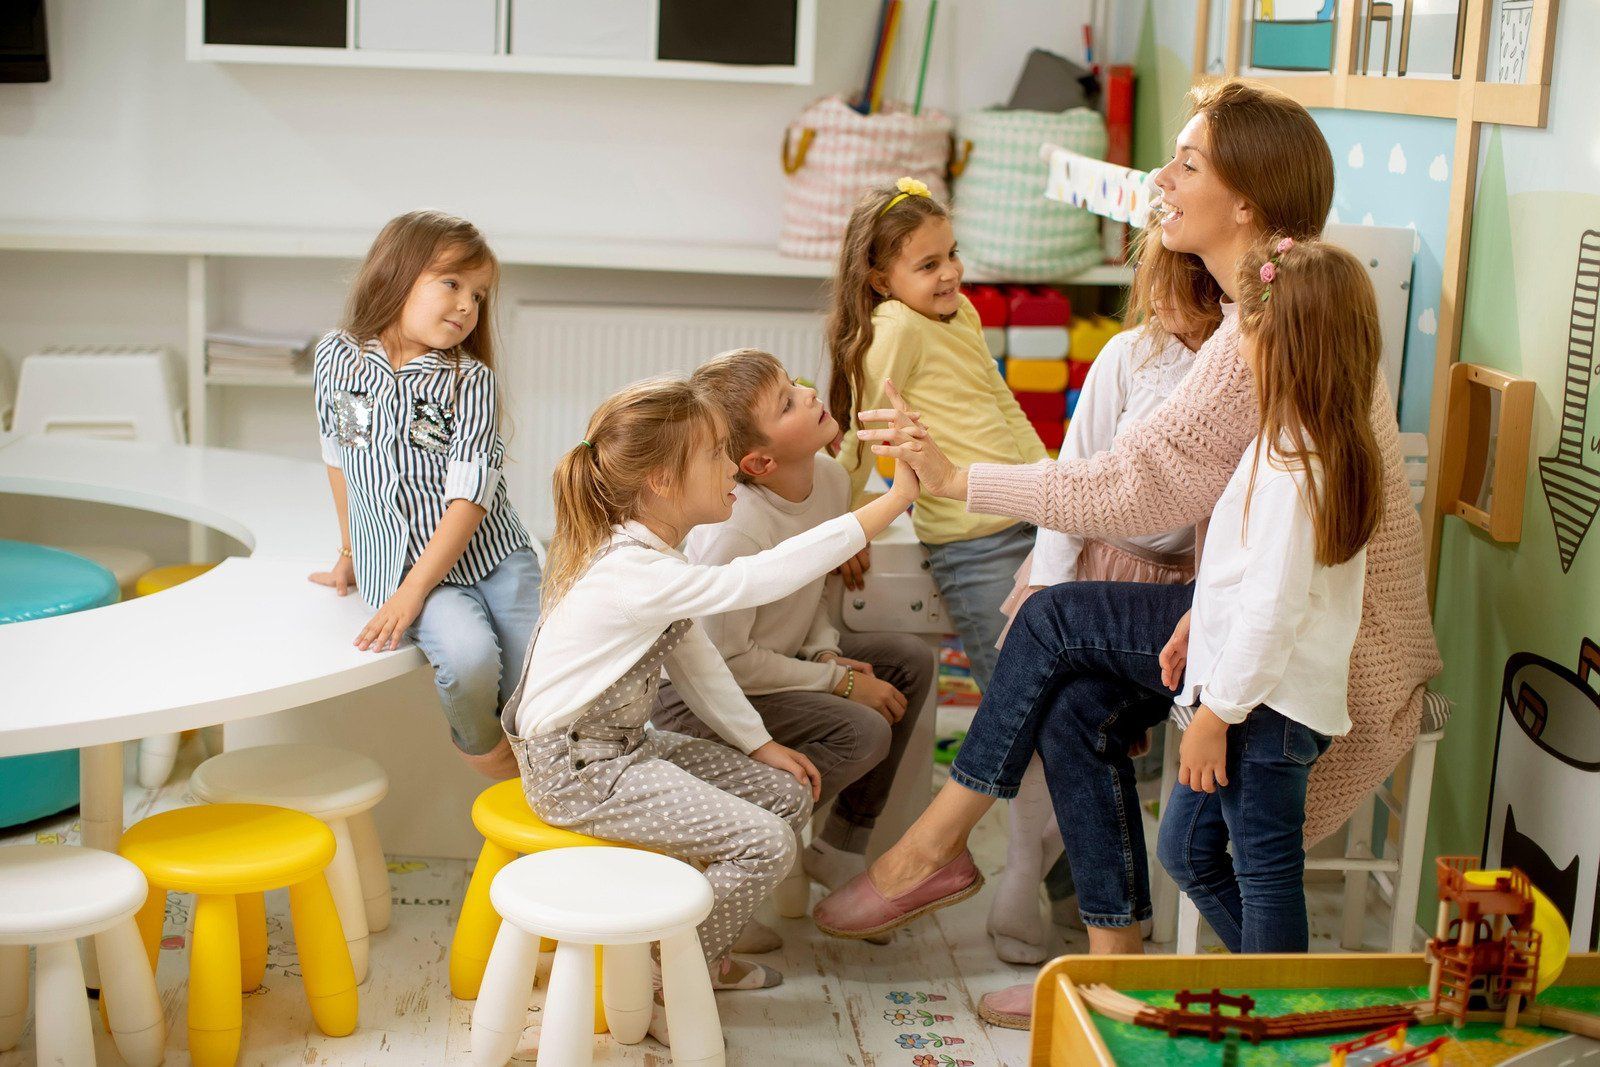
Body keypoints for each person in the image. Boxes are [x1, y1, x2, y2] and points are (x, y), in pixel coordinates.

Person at [310, 210, 539, 778]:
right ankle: (488, 756)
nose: (468, 305)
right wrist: (350, 552)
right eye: (452, 283)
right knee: (468, 660)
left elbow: (470, 496)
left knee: (537, 675)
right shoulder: (336, 359)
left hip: (493, 557)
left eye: (480, 295)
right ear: (396, 274)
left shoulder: (471, 381)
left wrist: (411, 592)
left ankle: (559, 779)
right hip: (410, 564)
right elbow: (341, 459)